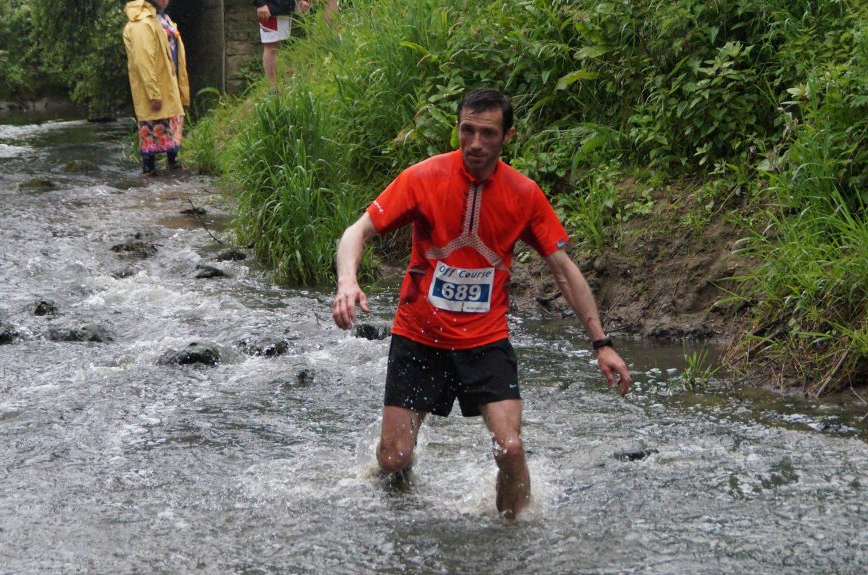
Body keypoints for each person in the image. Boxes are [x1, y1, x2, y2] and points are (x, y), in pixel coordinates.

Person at [332, 88, 632, 520]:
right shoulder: (422, 177)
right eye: (467, 131)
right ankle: (400, 516)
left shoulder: (524, 194)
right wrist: (347, 282)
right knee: (393, 459)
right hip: (419, 333)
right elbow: (356, 232)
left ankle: (514, 535)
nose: (475, 143)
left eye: (487, 133)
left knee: (510, 449)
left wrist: (601, 343)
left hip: (485, 339)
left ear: (507, 136)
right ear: (457, 128)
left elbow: (563, 270)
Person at [123, 0, 190, 176]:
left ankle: (172, 164)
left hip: (168, 80)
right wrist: (153, 93)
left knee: (170, 122)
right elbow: (143, 61)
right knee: (151, 125)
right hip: (155, 84)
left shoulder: (161, 18)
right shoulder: (141, 23)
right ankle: (149, 172)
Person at [253, 0, 331, 88]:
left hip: (285, 8)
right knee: (271, 46)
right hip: (270, 8)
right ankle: (273, 88)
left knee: (274, 46)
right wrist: (261, 4)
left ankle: (278, 86)